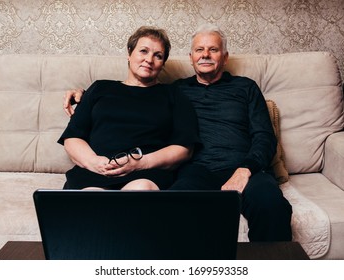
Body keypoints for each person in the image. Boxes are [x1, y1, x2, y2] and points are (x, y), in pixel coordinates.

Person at [63, 24, 292, 242]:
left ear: (225, 57)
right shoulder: (178, 90)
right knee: (175, 209)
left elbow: (264, 135)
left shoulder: (245, 87)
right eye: (199, 50)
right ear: (191, 57)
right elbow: (131, 96)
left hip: (244, 167)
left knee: (272, 206)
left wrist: (246, 170)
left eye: (213, 50)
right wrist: (82, 94)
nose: (205, 55)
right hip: (197, 171)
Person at [58, 26, 200, 191]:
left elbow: (184, 149)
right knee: (91, 194)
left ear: (162, 64)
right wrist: (95, 162)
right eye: (143, 51)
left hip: (147, 172)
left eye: (158, 56)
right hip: (96, 171)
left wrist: (141, 163)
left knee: (139, 190)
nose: (149, 59)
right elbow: (73, 138)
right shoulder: (100, 88)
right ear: (129, 53)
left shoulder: (174, 95)